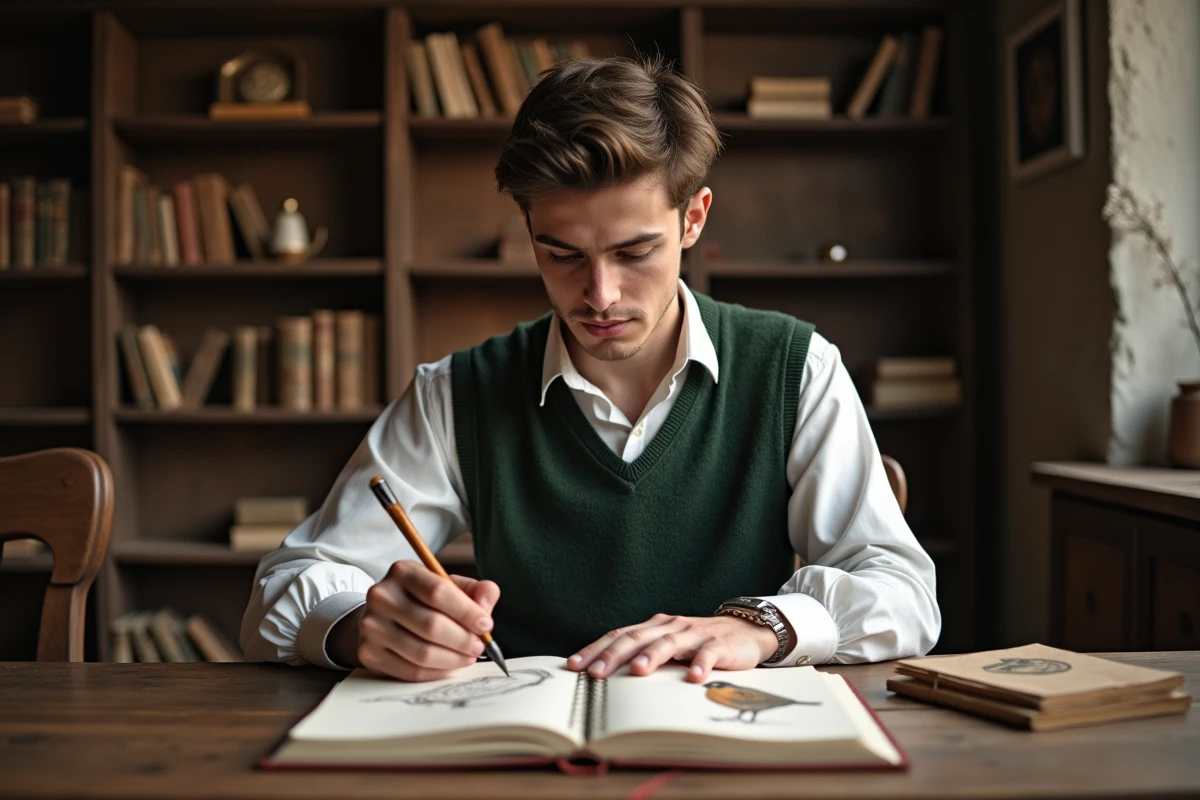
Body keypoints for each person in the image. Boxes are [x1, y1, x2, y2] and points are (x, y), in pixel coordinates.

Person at [241, 55, 940, 685]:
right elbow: (285, 586)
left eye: (634, 252)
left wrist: (761, 627)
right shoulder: (457, 393)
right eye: (563, 254)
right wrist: (361, 626)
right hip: (518, 747)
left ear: (693, 219)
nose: (599, 296)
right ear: (528, 231)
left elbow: (904, 591)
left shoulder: (797, 370)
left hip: (728, 741)